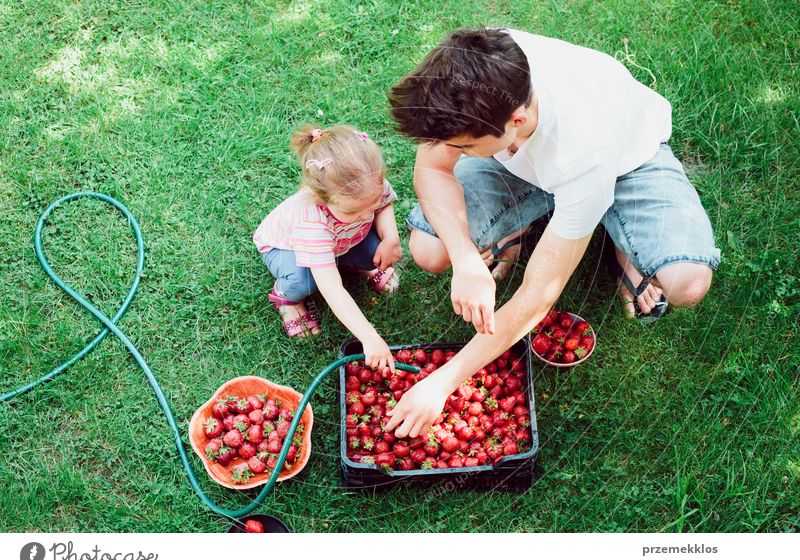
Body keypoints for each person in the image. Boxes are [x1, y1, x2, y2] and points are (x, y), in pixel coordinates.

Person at [384, 27, 720, 437]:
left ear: (517, 120)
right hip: (520, 158)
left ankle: (618, 239)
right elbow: (432, 168)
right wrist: (465, 259)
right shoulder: (474, 71)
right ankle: (529, 221)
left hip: (625, 163)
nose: (458, 155)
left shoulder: (584, 153)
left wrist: (444, 381)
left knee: (688, 282)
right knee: (431, 250)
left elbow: (537, 295)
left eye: (465, 148)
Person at [253, 125, 402, 370]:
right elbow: (332, 288)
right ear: (323, 198)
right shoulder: (312, 223)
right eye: (354, 211)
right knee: (306, 283)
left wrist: (391, 239)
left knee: (376, 250)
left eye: (370, 204)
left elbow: (383, 204)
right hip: (286, 249)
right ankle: (285, 296)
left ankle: (353, 263)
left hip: (341, 240)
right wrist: (369, 336)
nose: (367, 213)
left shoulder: (369, 182)